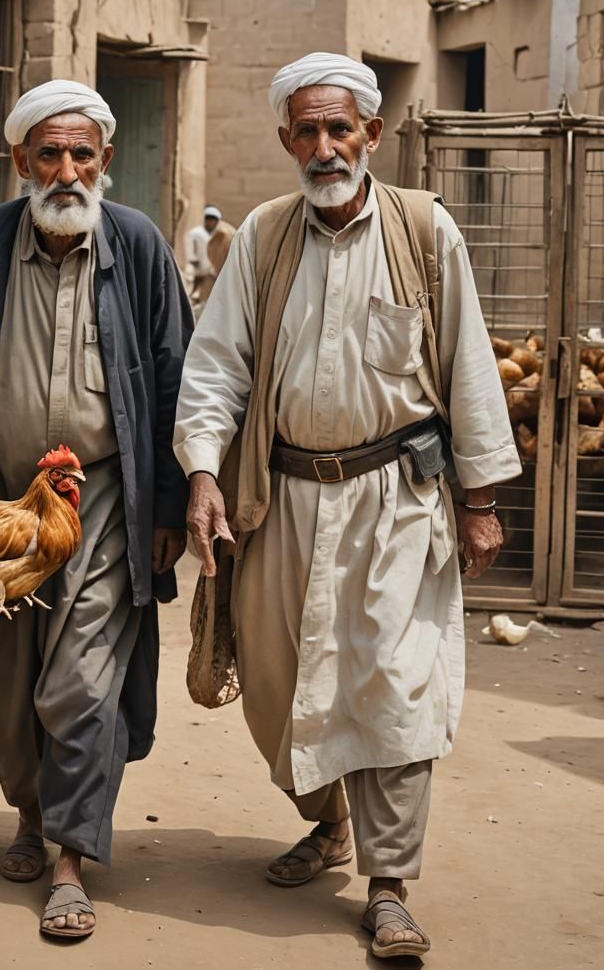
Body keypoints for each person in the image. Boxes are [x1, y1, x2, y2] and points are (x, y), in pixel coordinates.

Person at [173, 53, 521, 959]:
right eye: (307, 131)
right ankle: (328, 822)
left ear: (371, 133)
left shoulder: (424, 230)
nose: (325, 148)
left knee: (394, 690)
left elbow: (470, 368)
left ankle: (390, 882)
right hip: (280, 498)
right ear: (286, 138)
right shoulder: (263, 234)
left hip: (395, 502)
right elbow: (217, 365)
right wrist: (205, 473)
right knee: (274, 694)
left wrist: (479, 501)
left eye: (341, 129)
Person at [0, 79, 192, 941]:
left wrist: (170, 502)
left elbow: (176, 377)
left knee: (81, 683)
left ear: (103, 161)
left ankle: (69, 855)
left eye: (82, 155)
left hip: (104, 497)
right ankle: (28, 811)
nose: (67, 171)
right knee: (2, 688)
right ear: (21, 160)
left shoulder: (136, 245)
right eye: (49, 155)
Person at [185, 205, 233, 306]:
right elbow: (189, 247)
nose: (210, 222)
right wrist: (193, 260)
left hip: (212, 267)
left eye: (213, 220)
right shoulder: (196, 233)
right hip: (197, 265)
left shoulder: (220, 235)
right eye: (208, 219)